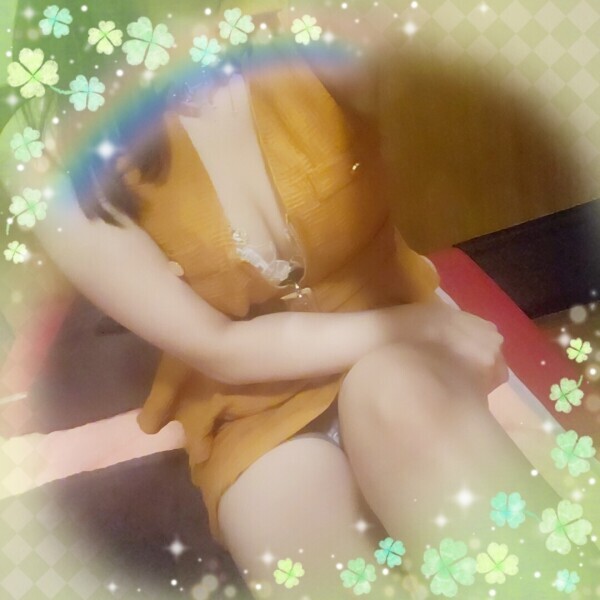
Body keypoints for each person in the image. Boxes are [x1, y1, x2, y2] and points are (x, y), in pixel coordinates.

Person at [5, 1, 597, 597]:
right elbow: (218, 346)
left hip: (388, 334)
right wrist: (423, 327)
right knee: (299, 547)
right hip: (248, 404)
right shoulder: (55, 157)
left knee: (397, 397)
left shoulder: (295, 30)